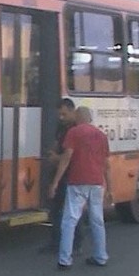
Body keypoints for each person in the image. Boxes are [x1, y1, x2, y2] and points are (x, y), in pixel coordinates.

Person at [48, 105, 112, 270]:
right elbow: (106, 165)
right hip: (97, 183)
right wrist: (110, 189)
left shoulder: (74, 133)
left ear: (78, 118)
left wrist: (55, 182)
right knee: (97, 220)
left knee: (69, 220)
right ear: (90, 118)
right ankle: (101, 256)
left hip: (77, 182)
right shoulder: (101, 135)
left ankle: (65, 260)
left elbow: (66, 158)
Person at [39, 98, 87, 254]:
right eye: (59, 115)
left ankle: (76, 244)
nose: (61, 117)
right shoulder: (62, 127)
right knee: (56, 210)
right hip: (60, 172)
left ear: (73, 111)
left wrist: (56, 159)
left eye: (64, 114)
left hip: (71, 174)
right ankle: (55, 243)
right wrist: (52, 154)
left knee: (72, 212)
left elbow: (71, 157)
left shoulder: (76, 130)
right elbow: (58, 144)